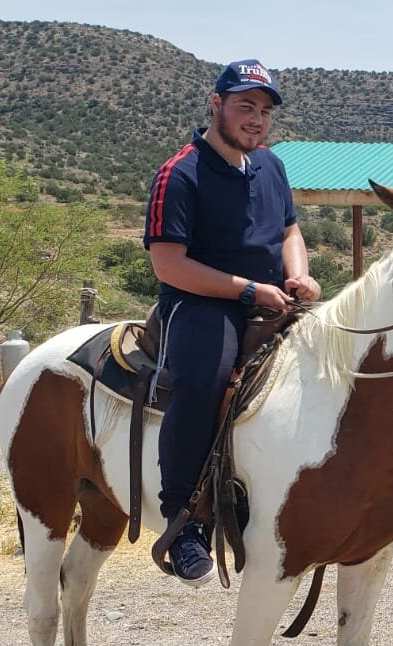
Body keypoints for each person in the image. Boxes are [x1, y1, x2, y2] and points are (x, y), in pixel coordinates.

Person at [143, 59, 320, 587]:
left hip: (273, 297)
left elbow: (290, 230)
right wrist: (246, 289)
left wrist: (301, 275)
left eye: (264, 111)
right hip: (202, 303)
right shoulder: (181, 173)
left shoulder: (271, 165)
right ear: (216, 104)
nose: (256, 119)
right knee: (207, 377)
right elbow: (168, 263)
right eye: (245, 106)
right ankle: (183, 523)